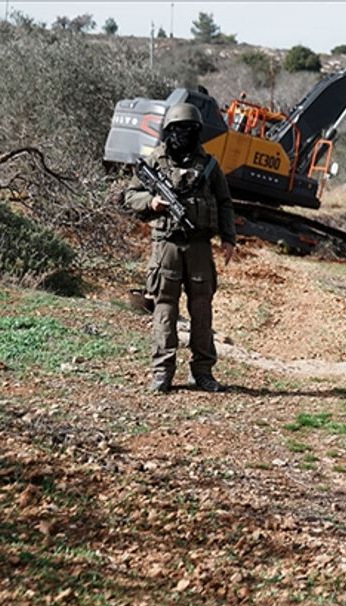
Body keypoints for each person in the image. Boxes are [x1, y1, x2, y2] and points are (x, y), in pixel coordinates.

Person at [124, 102, 237, 393]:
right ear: (169, 131)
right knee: (165, 308)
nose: (184, 134)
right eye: (178, 129)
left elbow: (224, 203)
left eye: (189, 129)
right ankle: (162, 371)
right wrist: (151, 202)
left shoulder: (209, 165)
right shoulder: (154, 162)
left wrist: (228, 238)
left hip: (199, 246)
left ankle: (203, 372)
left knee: (202, 310)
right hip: (167, 246)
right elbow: (130, 196)